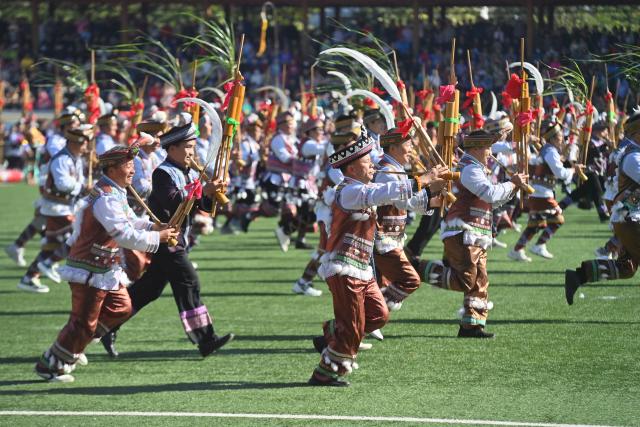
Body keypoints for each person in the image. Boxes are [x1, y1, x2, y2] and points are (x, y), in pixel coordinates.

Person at [308, 128, 446, 386]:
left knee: (379, 315)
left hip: (361, 268)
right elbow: (382, 193)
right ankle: (324, 374)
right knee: (352, 327)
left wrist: (430, 193)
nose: (372, 165)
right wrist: (423, 179)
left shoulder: (363, 186)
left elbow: (394, 195)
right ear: (351, 169)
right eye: (366, 162)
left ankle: (332, 333)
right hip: (343, 268)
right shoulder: (348, 191)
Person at [34, 144, 177, 382]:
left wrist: (154, 226)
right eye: (127, 165)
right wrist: (157, 238)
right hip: (89, 267)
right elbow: (123, 234)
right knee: (83, 323)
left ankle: (75, 346)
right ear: (111, 169)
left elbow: (131, 220)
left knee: (121, 308)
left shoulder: (115, 191)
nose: (133, 170)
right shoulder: (106, 198)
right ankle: (50, 364)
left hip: (105, 267)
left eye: (133, 164)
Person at [101, 120, 234, 358]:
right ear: (173, 149)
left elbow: (199, 205)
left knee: (147, 290)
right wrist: (205, 191)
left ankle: (107, 325)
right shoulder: (162, 173)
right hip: (165, 240)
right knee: (189, 281)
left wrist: (213, 195)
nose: (192, 153)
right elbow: (173, 201)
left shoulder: (189, 172)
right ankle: (205, 338)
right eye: (188, 147)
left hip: (178, 238)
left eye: (193, 147)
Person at [416, 130, 528, 338]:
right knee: (467, 279)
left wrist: (514, 188)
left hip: (476, 232)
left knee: (480, 280)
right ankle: (418, 268)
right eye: (487, 147)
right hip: (462, 231)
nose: (490, 152)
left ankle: (472, 325)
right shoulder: (469, 169)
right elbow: (490, 193)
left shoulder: (477, 168)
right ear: (476, 148)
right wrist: (512, 183)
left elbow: (492, 201)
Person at [565, 113, 640, 304]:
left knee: (626, 268)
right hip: (631, 220)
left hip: (630, 219)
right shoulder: (633, 158)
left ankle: (579, 276)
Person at [374, 127, 443, 311]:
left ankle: (365, 322)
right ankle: (371, 315)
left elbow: (406, 201)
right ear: (394, 147)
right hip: (382, 240)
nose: (411, 150)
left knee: (377, 286)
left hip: (391, 239)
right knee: (410, 280)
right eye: (408, 144)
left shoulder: (394, 169)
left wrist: (432, 196)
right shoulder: (385, 171)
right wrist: (428, 188)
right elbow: (402, 201)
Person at [17, 126, 93, 293]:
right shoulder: (62, 159)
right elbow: (63, 184)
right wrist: (82, 187)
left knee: (52, 244)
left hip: (67, 206)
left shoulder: (77, 158)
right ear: (75, 143)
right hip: (56, 207)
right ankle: (48, 263)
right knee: (76, 237)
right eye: (84, 143)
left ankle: (29, 278)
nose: (86, 146)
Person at [508, 120, 580, 261]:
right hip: (542, 192)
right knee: (558, 219)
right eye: (559, 138)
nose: (562, 141)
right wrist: (573, 170)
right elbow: (560, 173)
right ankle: (539, 245)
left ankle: (517, 250)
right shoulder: (550, 151)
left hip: (539, 191)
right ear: (552, 139)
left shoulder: (548, 150)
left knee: (536, 224)